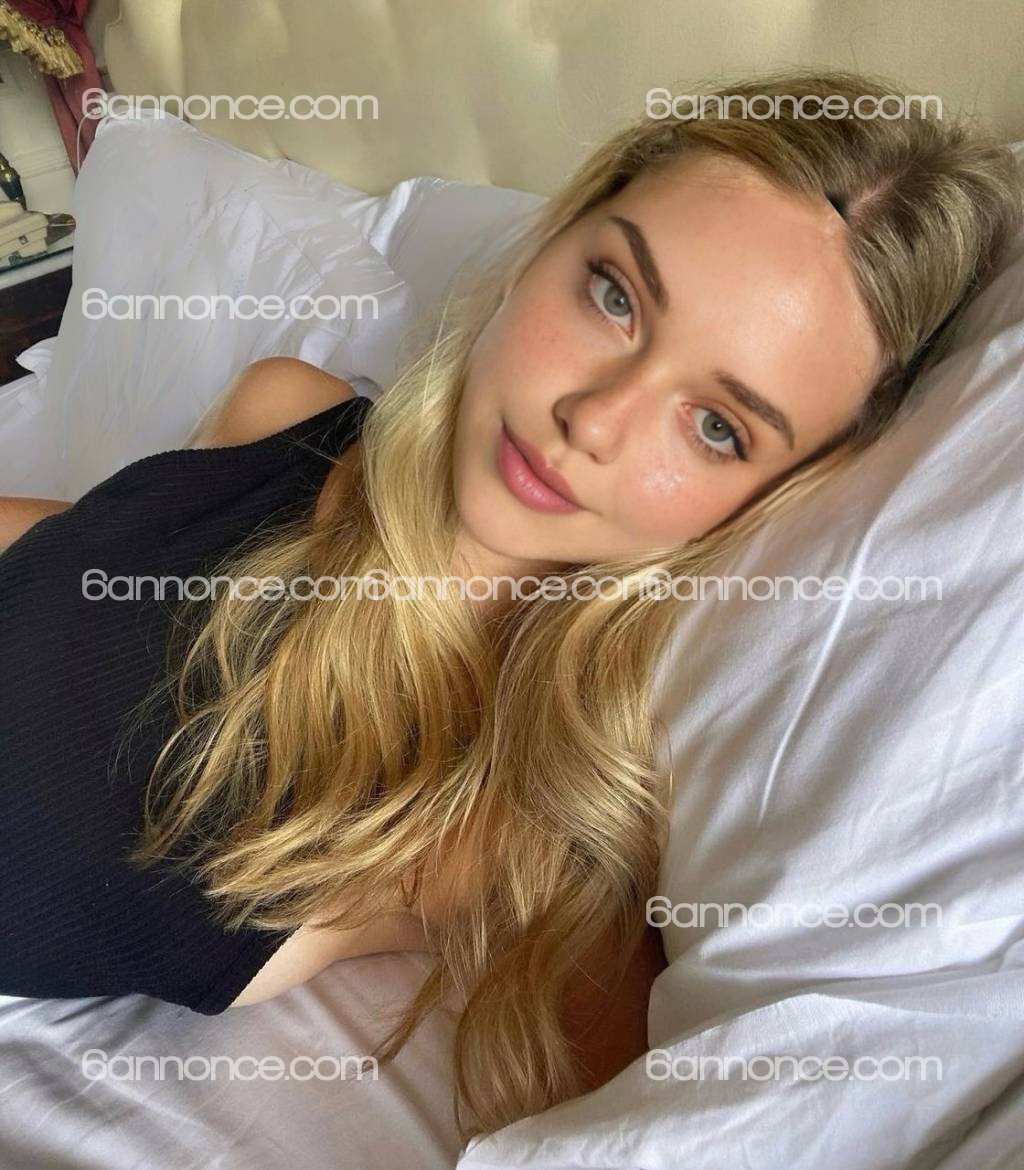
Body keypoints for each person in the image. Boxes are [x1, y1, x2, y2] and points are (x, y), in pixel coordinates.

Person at [0, 69, 1019, 1142]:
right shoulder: (284, 407)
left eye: (717, 426)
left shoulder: (502, 822)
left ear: (782, 494)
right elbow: (75, 565)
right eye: (614, 296)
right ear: (548, 245)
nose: (595, 419)